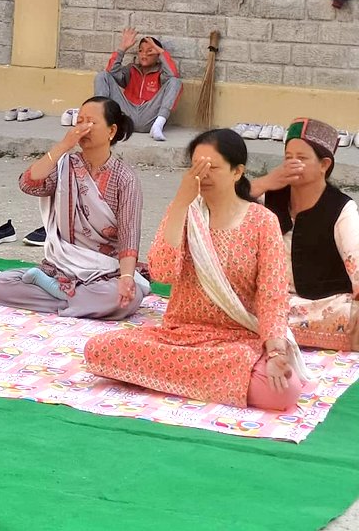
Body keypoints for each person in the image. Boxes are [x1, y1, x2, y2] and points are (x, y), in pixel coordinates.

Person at [84, 129, 309, 411]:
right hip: (179, 337)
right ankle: (216, 383)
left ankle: (167, 378)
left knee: (285, 391)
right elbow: (162, 272)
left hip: (236, 343)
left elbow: (273, 294)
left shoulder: (262, 221)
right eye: (197, 168)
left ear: (237, 172)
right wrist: (181, 201)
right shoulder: (186, 211)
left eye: (212, 168)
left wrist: (275, 350)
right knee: (99, 347)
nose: (203, 175)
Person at [0, 97, 148, 320]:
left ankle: (57, 294)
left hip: (105, 271)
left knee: (125, 300)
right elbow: (28, 184)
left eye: (91, 122)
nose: (83, 128)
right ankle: (76, 300)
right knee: (1, 284)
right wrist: (63, 146)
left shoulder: (125, 178)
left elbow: (129, 235)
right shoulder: (65, 164)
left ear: (111, 131)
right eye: (79, 121)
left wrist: (126, 278)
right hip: (63, 267)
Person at [250, 118, 359, 351]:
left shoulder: (341, 208)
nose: (292, 164)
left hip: (322, 303)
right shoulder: (269, 195)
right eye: (288, 157)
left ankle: (276, 334)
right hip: (270, 301)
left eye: (301, 158)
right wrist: (266, 181)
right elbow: (226, 205)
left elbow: (357, 261)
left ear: (324, 164)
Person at [94, 27, 182, 142]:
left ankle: (158, 126)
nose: (143, 54)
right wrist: (122, 48)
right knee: (102, 75)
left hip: (149, 115)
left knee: (175, 82)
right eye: (141, 50)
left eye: (149, 51)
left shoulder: (161, 73)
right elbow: (111, 72)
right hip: (126, 114)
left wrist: (161, 52)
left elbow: (172, 75)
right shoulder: (131, 69)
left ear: (157, 57)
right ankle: (100, 119)